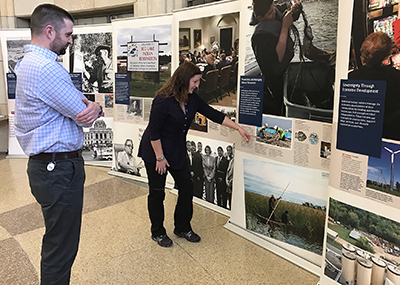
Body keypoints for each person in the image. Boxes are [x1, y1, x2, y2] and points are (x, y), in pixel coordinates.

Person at [14, 4, 102, 284]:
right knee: (61, 248)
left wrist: (91, 105)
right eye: (68, 34)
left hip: (47, 169)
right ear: (49, 31)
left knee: (57, 241)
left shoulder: (27, 63)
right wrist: (97, 107)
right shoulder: (46, 68)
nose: (71, 40)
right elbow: (84, 114)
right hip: (59, 170)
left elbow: (77, 104)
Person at [138, 62, 253, 247]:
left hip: (176, 150)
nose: (197, 85)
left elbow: (213, 114)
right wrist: (160, 157)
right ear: (184, 80)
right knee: (157, 193)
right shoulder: (162, 100)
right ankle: (157, 232)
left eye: (198, 81)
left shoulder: (192, 99)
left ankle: (182, 227)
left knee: (187, 187)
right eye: (195, 81)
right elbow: (154, 132)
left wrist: (238, 128)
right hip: (155, 151)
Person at [250, 0, 300, 116]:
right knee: (279, 106)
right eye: (269, 13)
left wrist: (295, 6)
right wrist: (285, 27)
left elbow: (289, 6)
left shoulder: (273, 11)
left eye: (273, 10)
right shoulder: (260, 38)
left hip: (285, 72)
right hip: (274, 80)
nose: (273, 14)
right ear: (259, 17)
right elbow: (278, 57)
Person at [348, 32, 400, 141]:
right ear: (388, 54)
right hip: (392, 135)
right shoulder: (395, 77)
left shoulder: (351, 77)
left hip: (362, 136)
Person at [225, 145, 234, 209]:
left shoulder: (233, 159)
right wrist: (226, 180)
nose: (229, 151)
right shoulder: (228, 159)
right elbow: (227, 171)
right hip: (227, 182)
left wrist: (230, 181)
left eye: (230, 150)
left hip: (232, 183)